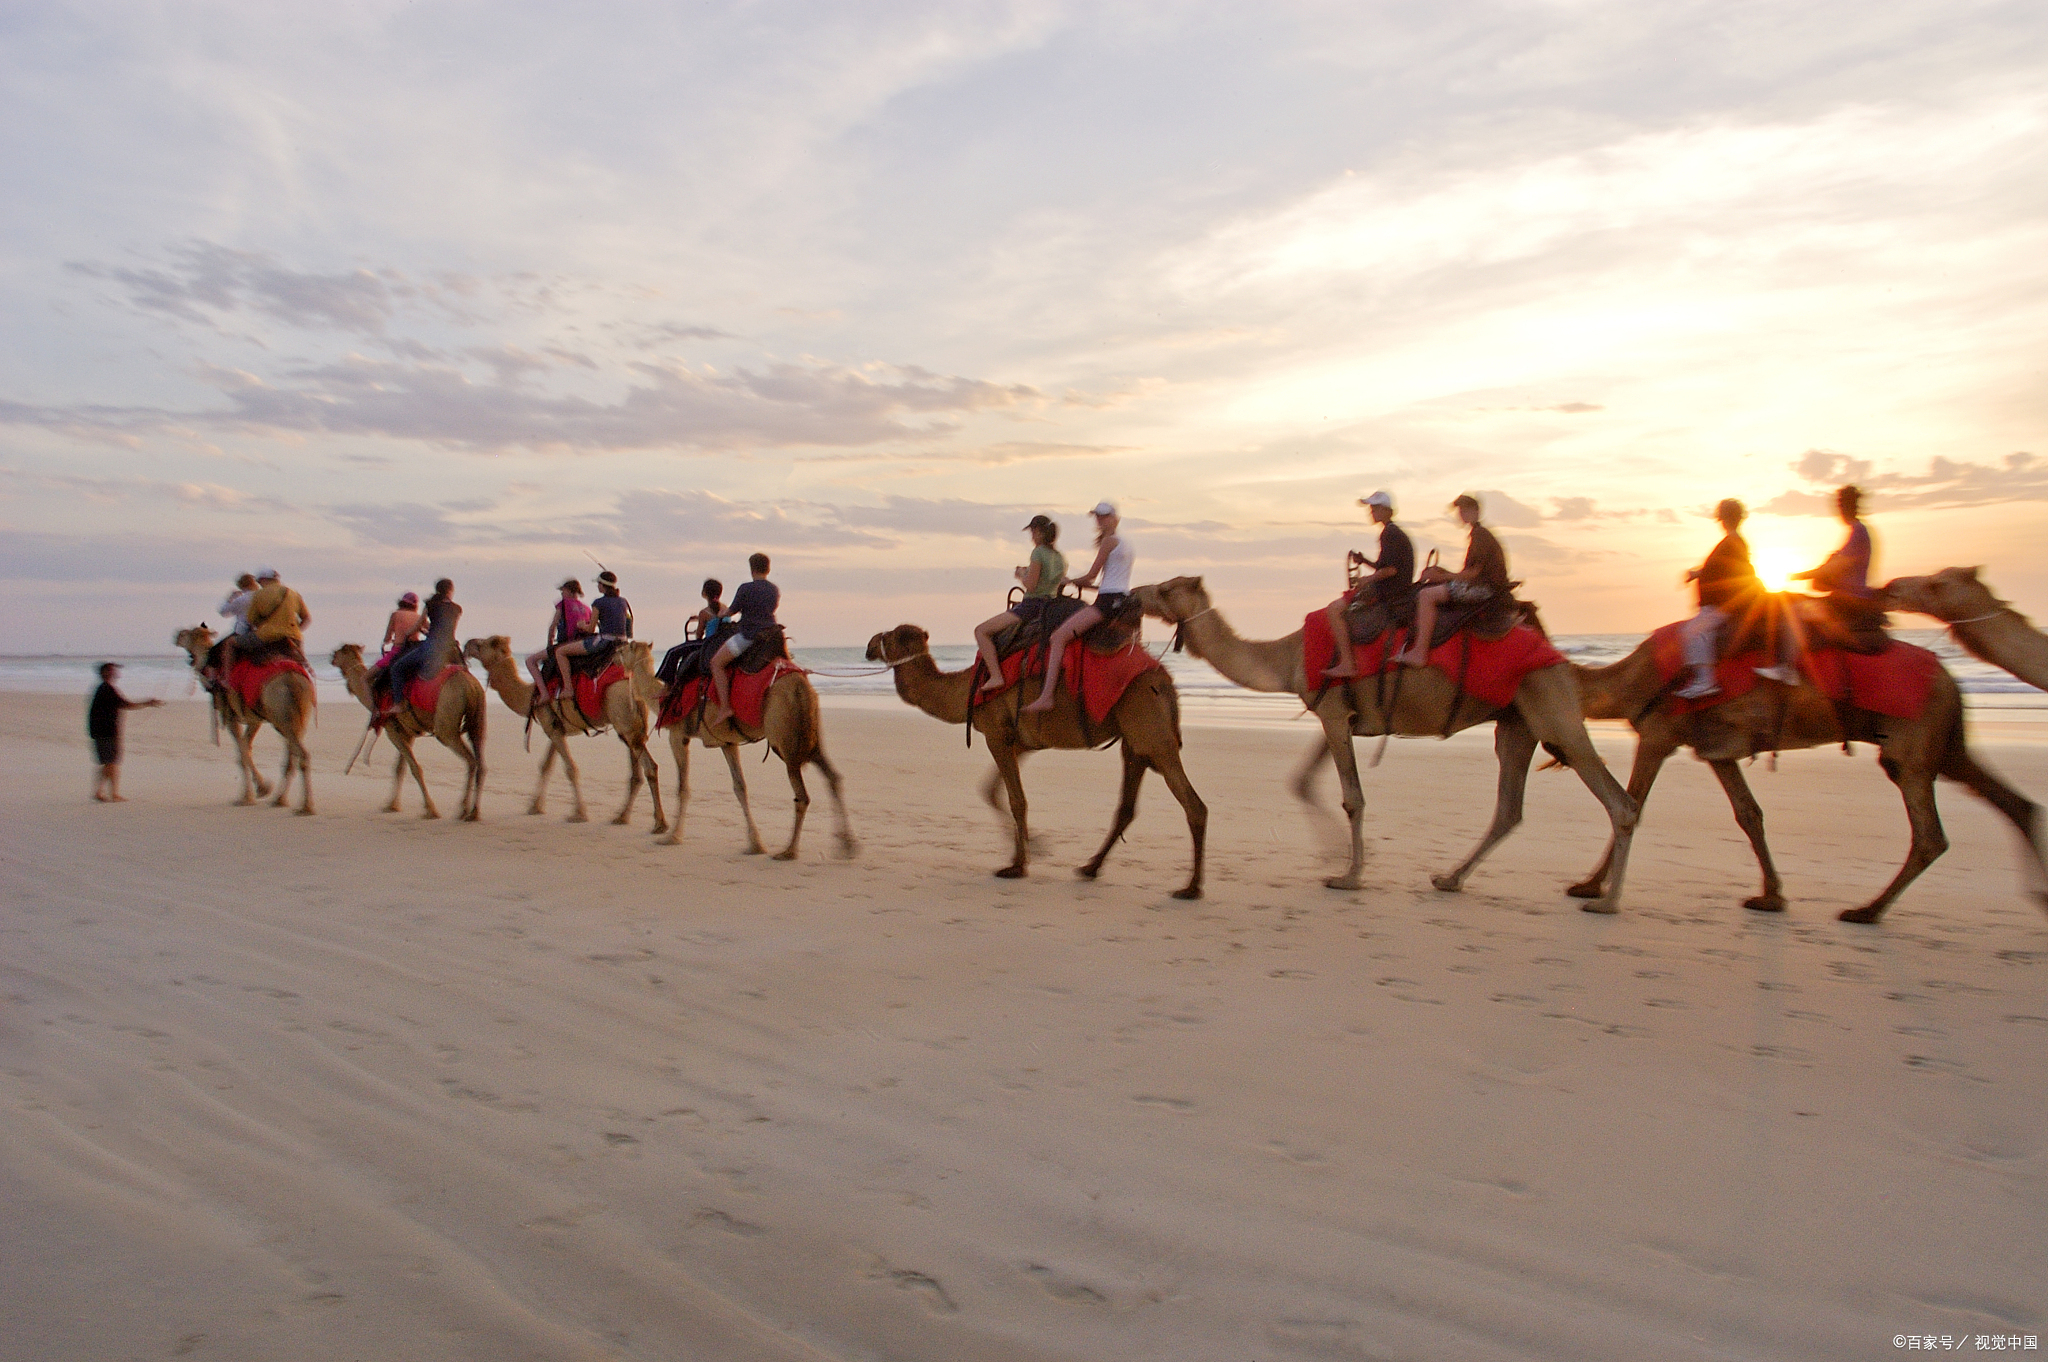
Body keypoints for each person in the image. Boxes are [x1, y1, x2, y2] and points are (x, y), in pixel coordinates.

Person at [1023, 502, 1131, 714]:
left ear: (1114, 518)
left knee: (1058, 637)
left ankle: (1046, 696)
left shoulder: (1109, 541)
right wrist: (1077, 583)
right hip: (1121, 599)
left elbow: (1091, 576)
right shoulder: (1125, 543)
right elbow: (1105, 582)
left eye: (1103, 516)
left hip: (1106, 603)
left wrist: (1070, 581)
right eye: (1097, 516)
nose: (1099, 520)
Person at [1674, 500, 1772, 699]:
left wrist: (1699, 574)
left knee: (1693, 631)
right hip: (1722, 603)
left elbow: (1733, 572)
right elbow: (1719, 568)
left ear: (1724, 518)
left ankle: (1705, 681)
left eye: (1722, 517)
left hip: (1724, 605)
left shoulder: (1733, 542)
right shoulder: (1733, 542)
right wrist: (1698, 573)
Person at [1396, 494, 1508, 668]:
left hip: (1484, 589)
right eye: (1460, 510)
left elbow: (1473, 573)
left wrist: (1442, 577)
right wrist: (1443, 573)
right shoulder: (1479, 534)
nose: (1462, 513)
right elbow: (1468, 573)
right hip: (1481, 585)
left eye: (1466, 510)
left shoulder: (1480, 536)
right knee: (1435, 585)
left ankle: (1419, 652)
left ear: (1476, 511)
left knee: (1426, 595)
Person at [1325, 490, 1415, 678]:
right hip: (1394, 588)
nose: (1371, 512)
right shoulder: (1393, 532)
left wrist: (1367, 580)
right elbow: (1386, 566)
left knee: (1334, 611)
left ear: (1385, 510)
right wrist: (1364, 561)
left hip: (1389, 591)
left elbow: (1391, 571)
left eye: (1375, 508)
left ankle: (1347, 664)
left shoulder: (1390, 534)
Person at [973, 515, 1066, 692]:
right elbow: (1054, 581)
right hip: (1051, 605)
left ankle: (996, 676)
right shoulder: (1059, 556)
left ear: (1038, 532)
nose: (1031, 536)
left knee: (981, 631)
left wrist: (1021, 574)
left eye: (1032, 532)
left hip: (1032, 605)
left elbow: (1031, 585)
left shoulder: (1038, 552)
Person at [709, 553, 778, 724]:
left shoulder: (746, 588)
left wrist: (722, 613)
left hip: (749, 635)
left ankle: (725, 708)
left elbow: (732, 611)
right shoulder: (774, 589)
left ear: (752, 569)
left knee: (716, 663)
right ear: (768, 569)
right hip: (772, 634)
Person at [89, 662, 162, 802]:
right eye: (112, 670)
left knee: (108, 763)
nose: (115, 672)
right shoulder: (107, 689)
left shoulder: (103, 688)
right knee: (111, 762)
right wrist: (148, 703)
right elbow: (126, 704)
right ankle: (114, 794)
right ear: (106, 673)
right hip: (106, 732)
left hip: (101, 731)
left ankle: (99, 792)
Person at [1790, 485, 1877, 600]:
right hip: (1844, 595)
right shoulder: (1856, 531)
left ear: (1849, 507)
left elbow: (1835, 567)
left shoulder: (1859, 532)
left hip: (1849, 596)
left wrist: (1799, 576)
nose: (1839, 512)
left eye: (1841, 507)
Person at [555, 569, 633, 685]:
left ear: (603, 585)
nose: (598, 586)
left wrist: (582, 625)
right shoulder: (623, 601)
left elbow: (591, 629)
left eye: (599, 584)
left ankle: (567, 688)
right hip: (622, 641)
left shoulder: (598, 603)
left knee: (560, 652)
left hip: (604, 642)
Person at [390, 579, 459, 698]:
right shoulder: (457, 609)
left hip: (431, 648)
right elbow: (445, 631)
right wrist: (426, 631)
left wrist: (407, 634)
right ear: (450, 591)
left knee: (397, 668)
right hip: (451, 648)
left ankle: (398, 703)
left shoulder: (430, 605)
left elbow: (417, 626)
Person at [527, 579, 591, 692]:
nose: (561, 593)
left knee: (530, 661)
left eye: (563, 590)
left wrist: (549, 644)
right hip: (582, 644)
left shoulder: (563, 604)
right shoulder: (587, 608)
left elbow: (553, 626)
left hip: (566, 643)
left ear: (570, 591)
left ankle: (543, 693)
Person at [243, 567, 311, 664]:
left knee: (231, 643)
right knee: (301, 664)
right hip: (294, 638)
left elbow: (251, 619)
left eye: (259, 582)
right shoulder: (294, 593)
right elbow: (307, 618)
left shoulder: (258, 594)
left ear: (263, 579)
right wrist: (295, 631)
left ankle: (226, 673)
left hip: (268, 636)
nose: (259, 584)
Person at [209, 572, 258, 678]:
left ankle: (218, 680)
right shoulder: (261, 596)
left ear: (241, 585)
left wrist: (231, 598)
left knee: (213, 653)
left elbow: (223, 612)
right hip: (260, 631)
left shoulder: (242, 599)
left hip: (242, 632)